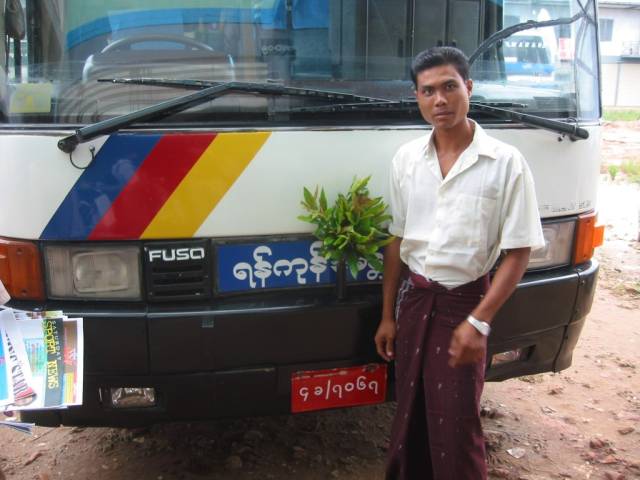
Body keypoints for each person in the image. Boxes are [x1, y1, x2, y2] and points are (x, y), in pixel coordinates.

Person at [374, 46, 545, 480]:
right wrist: (387, 316)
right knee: (410, 412)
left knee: (456, 420)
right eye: (428, 91)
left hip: (465, 304)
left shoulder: (504, 163)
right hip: (414, 303)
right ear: (417, 96)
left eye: (449, 87)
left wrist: (480, 322)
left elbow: (519, 251)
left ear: (468, 87)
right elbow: (397, 240)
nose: (440, 100)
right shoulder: (406, 160)